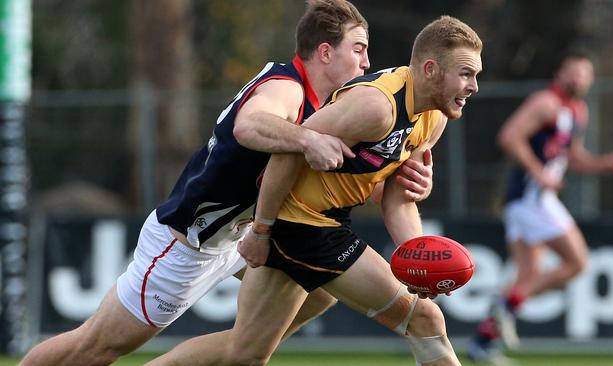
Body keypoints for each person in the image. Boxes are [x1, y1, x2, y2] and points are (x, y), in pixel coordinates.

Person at [20, 1, 435, 365]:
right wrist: (308, 139)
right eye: (358, 49)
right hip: (187, 244)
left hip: (243, 239)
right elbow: (249, 125)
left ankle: (242, 346)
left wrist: (400, 180)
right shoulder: (287, 88)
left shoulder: (331, 105)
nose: (366, 63)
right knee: (94, 349)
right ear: (325, 52)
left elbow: (342, 174)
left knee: (317, 294)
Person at [146, 15, 483, 366]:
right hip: (301, 224)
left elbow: (398, 197)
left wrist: (415, 253)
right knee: (425, 319)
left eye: (476, 75)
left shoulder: (433, 117)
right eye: (465, 74)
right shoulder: (377, 106)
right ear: (430, 69)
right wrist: (261, 229)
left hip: (320, 221)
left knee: (245, 353)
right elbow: (288, 152)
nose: (474, 85)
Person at [467, 49, 613, 362]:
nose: (579, 78)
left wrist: (604, 165)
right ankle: (505, 307)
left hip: (530, 201)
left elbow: (571, 158)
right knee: (577, 263)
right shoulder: (545, 103)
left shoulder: (577, 111)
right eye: (574, 71)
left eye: (585, 73)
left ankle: (482, 344)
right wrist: (539, 172)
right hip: (531, 198)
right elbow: (509, 137)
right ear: (560, 73)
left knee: (527, 277)